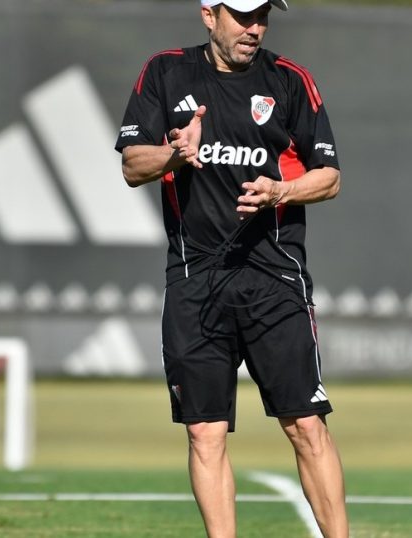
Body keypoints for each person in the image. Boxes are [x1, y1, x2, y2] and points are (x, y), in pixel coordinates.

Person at [114, 1, 347, 536]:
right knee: (204, 433)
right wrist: (174, 155)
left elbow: (330, 176)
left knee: (307, 425)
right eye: (243, 15)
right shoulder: (166, 72)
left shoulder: (289, 80)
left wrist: (280, 191)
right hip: (195, 283)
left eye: (263, 15)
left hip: (274, 279)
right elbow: (131, 165)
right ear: (208, 15)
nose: (254, 28)